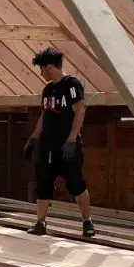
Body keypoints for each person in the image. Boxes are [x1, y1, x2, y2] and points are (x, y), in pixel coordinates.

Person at [23, 46, 95, 238]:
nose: (41, 73)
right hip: (48, 146)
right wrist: (34, 137)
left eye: (41, 69)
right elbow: (44, 116)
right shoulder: (47, 90)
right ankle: (40, 222)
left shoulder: (71, 84)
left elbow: (80, 111)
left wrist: (72, 139)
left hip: (67, 146)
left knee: (76, 183)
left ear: (48, 67)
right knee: (43, 183)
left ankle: (87, 221)